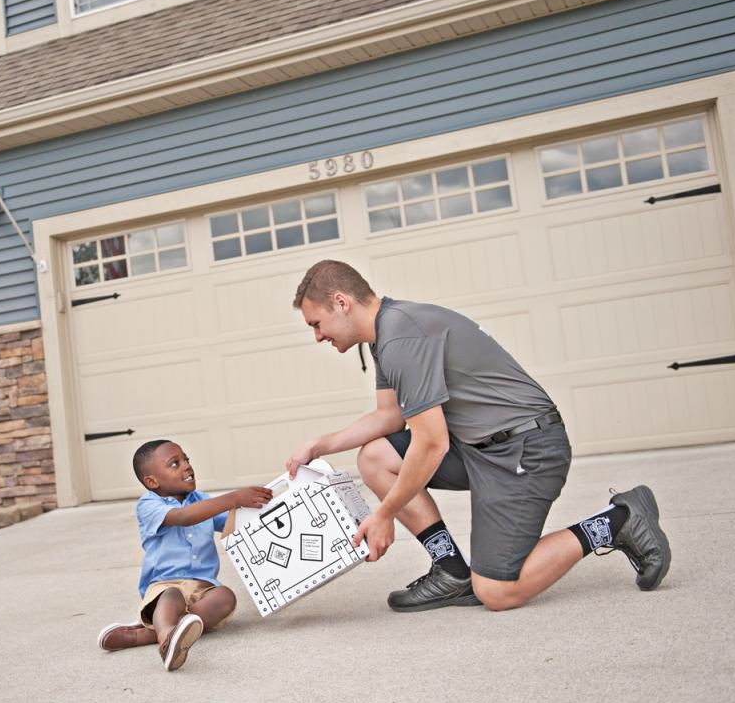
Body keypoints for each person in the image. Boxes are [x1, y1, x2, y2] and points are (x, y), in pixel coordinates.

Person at [285, 260, 671, 612]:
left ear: (341, 302)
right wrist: (322, 444)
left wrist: (383, 514)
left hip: (527, 450)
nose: (318, 336)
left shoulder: (402, 338)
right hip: (479, 448)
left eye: (316, 324)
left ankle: (618, 521)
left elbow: (431, 443)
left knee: (498, 591)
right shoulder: (386, 333)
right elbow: (390, 417)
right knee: (375, 458)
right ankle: (452, 573)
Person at [97, 439, 272, 671]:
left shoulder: (202, 500)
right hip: (165, 584)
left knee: (226, 597)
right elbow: (183, 517)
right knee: (172, 596)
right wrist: (233, 498)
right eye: (174, 463)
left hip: (203, 587)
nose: (186, 466)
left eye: (186, 459)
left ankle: (152, 634)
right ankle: (167, 638)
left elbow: (232, 523)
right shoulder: (148, 505)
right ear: (152, 481)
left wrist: (262, 510)